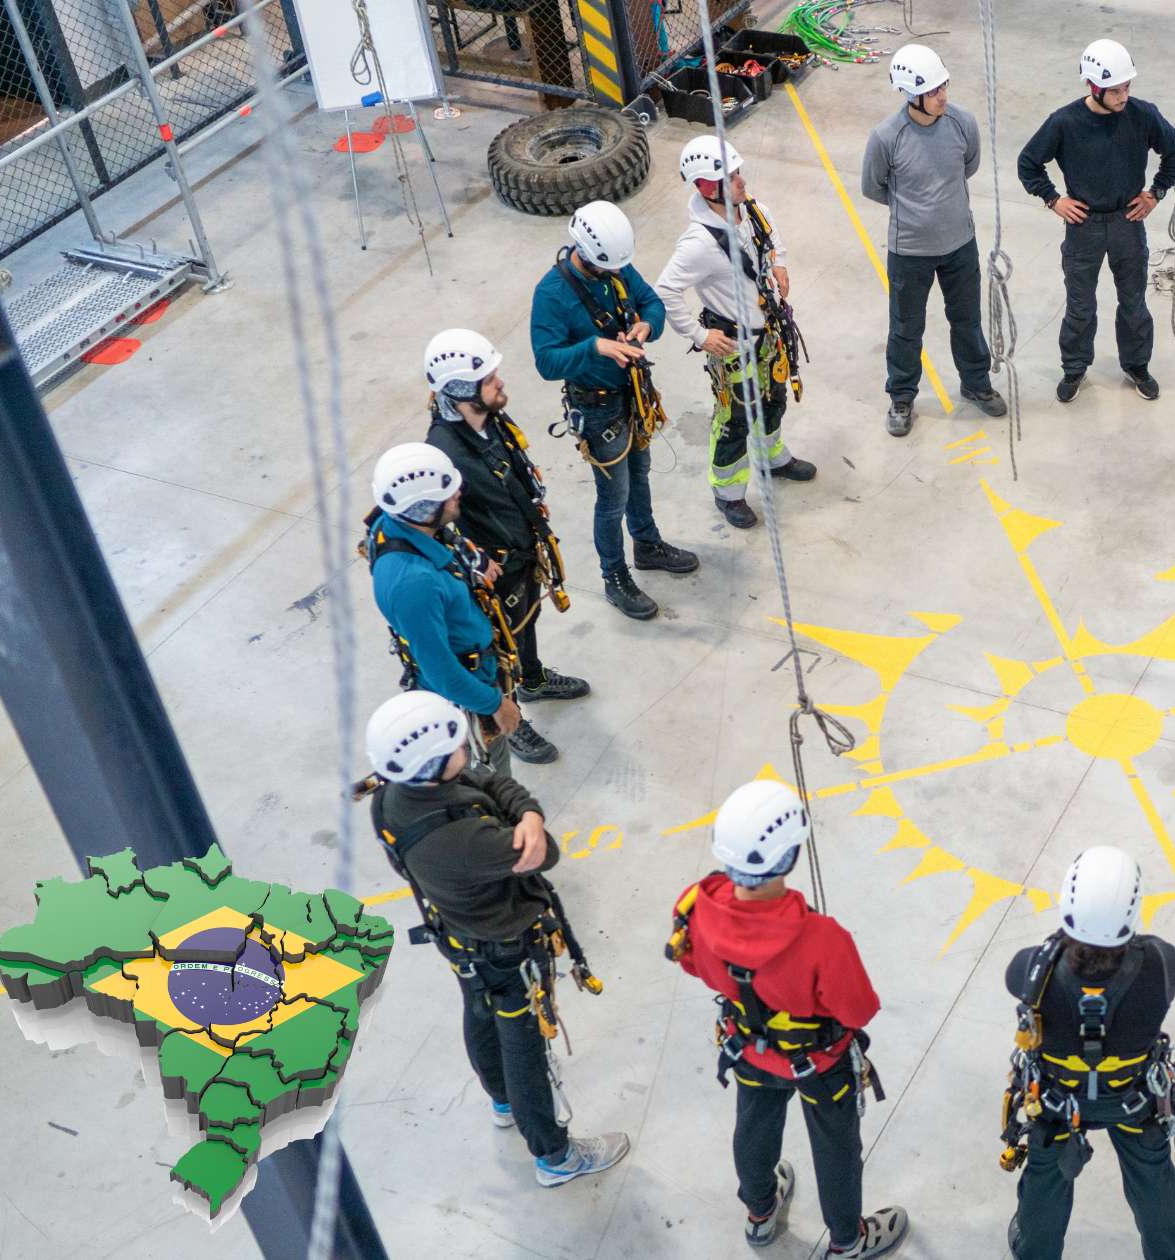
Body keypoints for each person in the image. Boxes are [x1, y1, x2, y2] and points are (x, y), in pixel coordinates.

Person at [358, 690, 629, 1186]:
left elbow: (490, 778)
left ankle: (502, 1099)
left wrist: (525, 813)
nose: (468, 745)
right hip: (506, 949)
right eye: (457, 743)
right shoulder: (463, 842)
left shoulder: (394, 797)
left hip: (464, 939)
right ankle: (554, 1156)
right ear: (435, 762)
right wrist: (529, 822)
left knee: (480, 1014)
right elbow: (545, 856)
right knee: (524, 1046)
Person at [669, 781, 909, 1259]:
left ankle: (760, 1212)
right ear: (792, 854)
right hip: (819, 1065)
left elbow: (694, 964)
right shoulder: (821, 939)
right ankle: (846, 1240)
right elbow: (858, 1009)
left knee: (754, 1125)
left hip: (749, 1050)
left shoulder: (695, 905)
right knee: (836, 1146)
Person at [1002, 847, 1175, 1260]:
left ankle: (1035, 1249)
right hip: (1132, 1102)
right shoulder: (1164, 964)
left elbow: (1025, 975)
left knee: (1045, 1177)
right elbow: (1144, 948)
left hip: (1058, 1104)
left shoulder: (1030, 970)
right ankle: (1168, 1246)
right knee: (1151, 1174)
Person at [422, 329, 586, 766]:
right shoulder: (443, 453)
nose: (501, 385)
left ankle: (532, 679)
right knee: (499, 649)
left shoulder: (490, 421)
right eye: (490, 380)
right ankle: (511, 721)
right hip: (492, 572)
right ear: (460, 391)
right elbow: (437, 527)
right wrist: (476, 562)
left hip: (521, 552)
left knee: (527, 622)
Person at [529, 200, 698, 621]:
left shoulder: (616, 268)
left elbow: (651, 302)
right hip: (597, 408)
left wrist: (646, 326)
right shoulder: (552, 295)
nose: (613, 273)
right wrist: (596, 346)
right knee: (612, 496)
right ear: (583, 252)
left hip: (632, 396)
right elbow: (546, 361)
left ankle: (646, 543)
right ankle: (614, 576)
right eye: (605, 268)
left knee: (639, 473)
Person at [653, 136, 818, 531]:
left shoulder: (753, 209)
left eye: (738, 172)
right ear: (708, 188)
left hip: (769, 331)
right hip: (734, 343)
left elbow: (772, 240)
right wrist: (698, 334)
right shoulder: (699, 244)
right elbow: (665, 291)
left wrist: (780, 265)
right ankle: (728, 493)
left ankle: (772, 457)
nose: (741, 181)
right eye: (730, 176)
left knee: (774, 396)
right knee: (735, 417)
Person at [1016, 38, 1175, 404]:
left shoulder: (1143, 115)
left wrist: (1155, 193)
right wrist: (1053, 200)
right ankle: (1074, 368)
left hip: (1127, 222)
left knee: (1134, 301)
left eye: (1127, 87)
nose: (1123, 96)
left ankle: (1137, 365)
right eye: (1116, 90)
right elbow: (1028, 163)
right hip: (1083, 228)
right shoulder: (1065, 122)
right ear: (1094, 86)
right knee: (1080, 305)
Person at [864, 43, 1009, 438]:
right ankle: (901, 396)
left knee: (966, 319)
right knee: (906, 327)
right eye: (932, 91)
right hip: (909, 252)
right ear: (911, 96)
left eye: (944, 86)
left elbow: (969, 164)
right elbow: (873, 187)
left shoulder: (962, 122)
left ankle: (976, 383)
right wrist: (917, 215)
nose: (942, 96)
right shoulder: (886, 137)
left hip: (960, 244)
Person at [362, 442, 521, 778]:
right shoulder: (413, 584)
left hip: (476, 671)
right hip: (464, 691)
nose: (458, 494)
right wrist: (495, 705)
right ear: (421, 509)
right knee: (491, 776)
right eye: (447, 495)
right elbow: (441, 671)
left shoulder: (399, 527)